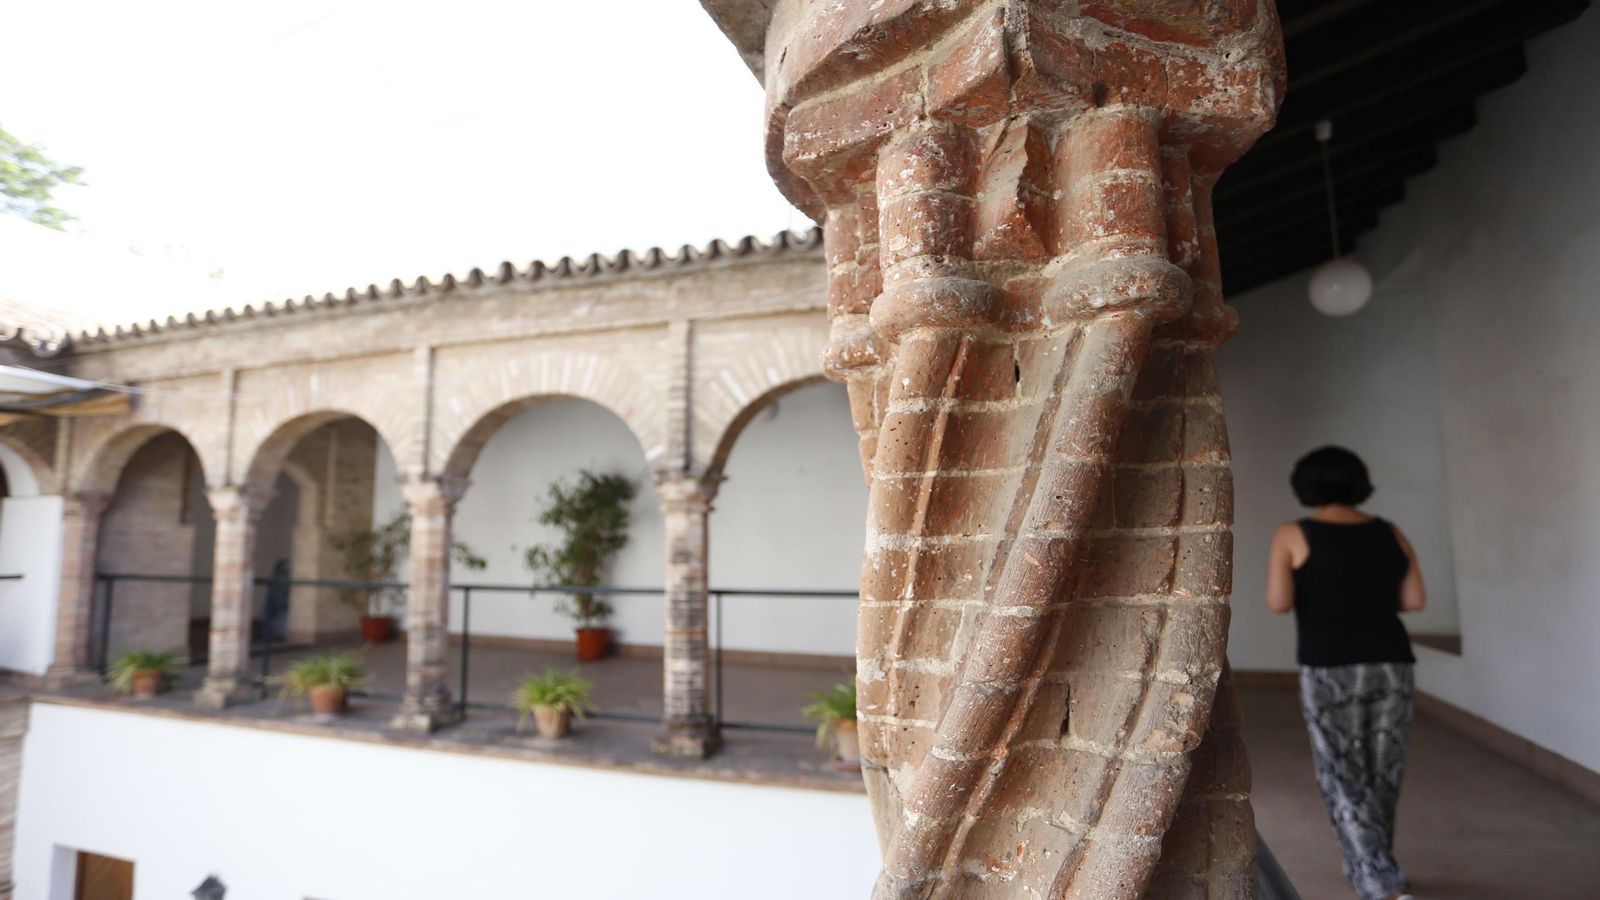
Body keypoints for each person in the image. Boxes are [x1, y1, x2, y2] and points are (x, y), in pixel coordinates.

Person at [1265, 446, 1425, 900]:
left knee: (1341, 773)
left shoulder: (1293, 533)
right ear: (1360, 482)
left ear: (1306, 485)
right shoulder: (1390, 532)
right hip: (1392, 663)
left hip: (1329, 663)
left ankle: (1380, 883)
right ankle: (1371, 865)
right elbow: (1414, 601)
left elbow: (1278, 602)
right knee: (1382, 769)